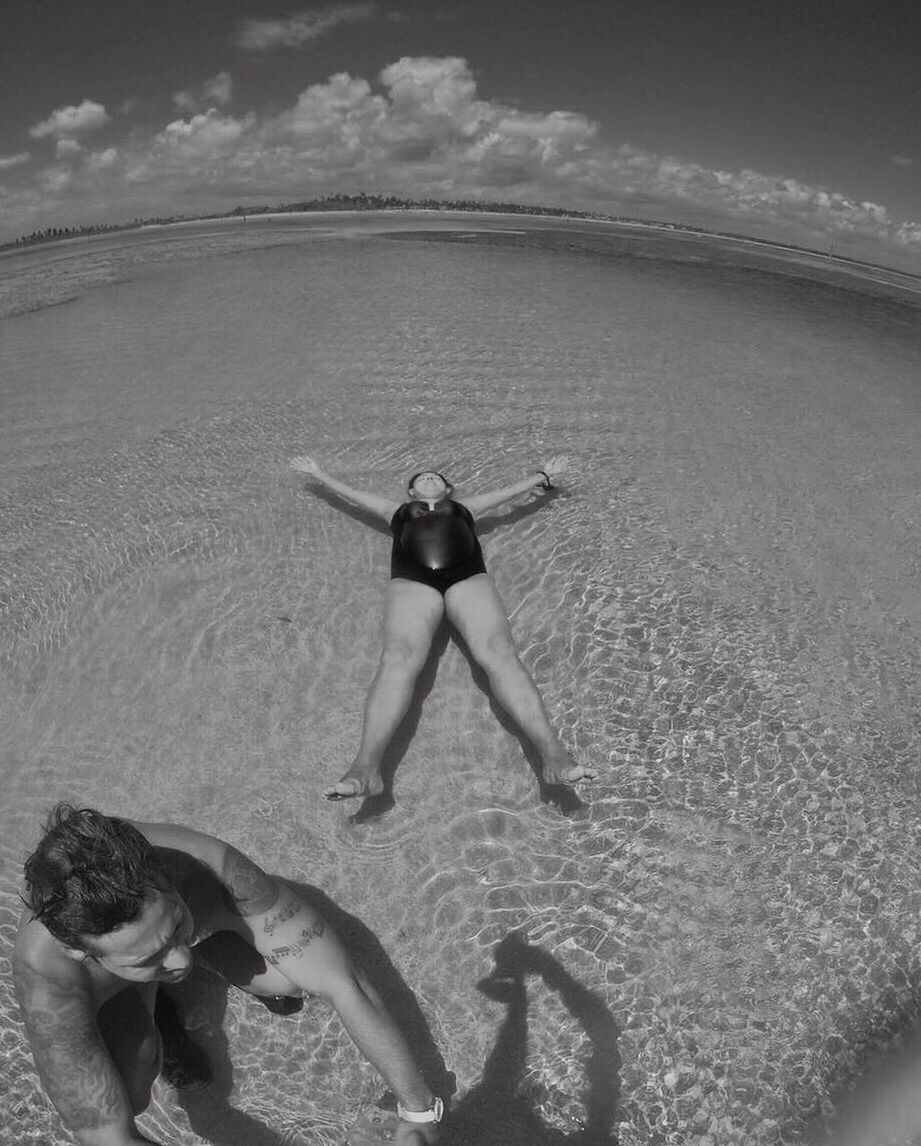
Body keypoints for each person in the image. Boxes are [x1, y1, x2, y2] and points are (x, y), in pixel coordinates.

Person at [12, 805, 443, 1146]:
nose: (181, 962)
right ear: (78, 949)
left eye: (177, 925)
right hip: (109, 984)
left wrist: (418, 1110)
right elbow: (109, 1139)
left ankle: (166, 951)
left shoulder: (206, 863)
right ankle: (154, 996)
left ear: (163, 875)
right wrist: (156, 956)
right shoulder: (50, 978)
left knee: (288, 981)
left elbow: (344, 981)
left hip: (176, 926)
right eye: (149, 958)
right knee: (132, 1088)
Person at [287, 455, 596, 801]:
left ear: (449, 488)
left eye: (437, 477)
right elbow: (354, 495)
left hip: (468, 579)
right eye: (423, 478)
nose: (431, 479)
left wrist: (542, 476)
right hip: (412, 583)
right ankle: (366, 767)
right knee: (398, 658)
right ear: (410, 490)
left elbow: (507, 494)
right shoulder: (396, 511)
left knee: (499, 653)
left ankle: (552, 753)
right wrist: (319, 473)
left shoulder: (464, 508)